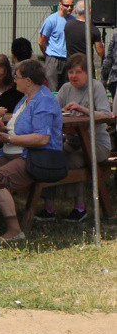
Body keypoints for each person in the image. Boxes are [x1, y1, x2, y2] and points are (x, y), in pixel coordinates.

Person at [0, 59, 63, 242]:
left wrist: (8, 137)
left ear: (28, 80)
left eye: (17, 77)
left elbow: (42, 138)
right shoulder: (26, 99)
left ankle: (14, 229)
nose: (14, 80)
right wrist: (2, 129)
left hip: (35, 157)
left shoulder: (43, 101)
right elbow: (19, 129)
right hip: (12, 151)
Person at [36, 53, 111, 223]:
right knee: (49, 157)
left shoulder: (96, 87)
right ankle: (48, 206)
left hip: (97, 143)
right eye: (71, 72)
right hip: (72, 140)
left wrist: (82, 109)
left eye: (78, 72)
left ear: (87, 72)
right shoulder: (66, 88)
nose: (73, 76)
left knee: (73, 161)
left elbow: (106, 115)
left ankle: (79, 207)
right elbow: (52, 108)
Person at [38, 0, 76, 91]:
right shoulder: (51, 20)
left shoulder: (73, 21)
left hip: (67, 59)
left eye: (72, 5)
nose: (69, 8)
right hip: (53, 59)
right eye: (66, 5)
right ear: (60, 5)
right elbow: (42, 41)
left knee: (66, 89)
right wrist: (47, 55)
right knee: (52, 89)